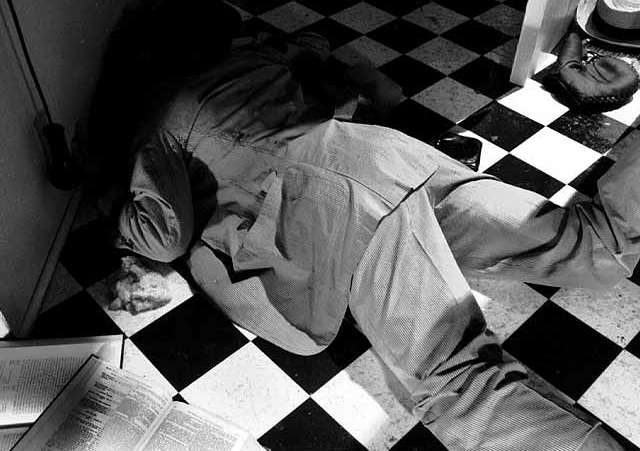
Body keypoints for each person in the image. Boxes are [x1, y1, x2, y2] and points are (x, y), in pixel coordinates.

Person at [88, 1, 637, 450]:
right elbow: (350, 73)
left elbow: (166, 237)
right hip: (395, 161)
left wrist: (110, 197)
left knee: (459, 380)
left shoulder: (159, 116)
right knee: (588, 242)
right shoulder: (252, 58)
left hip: (344, 214)